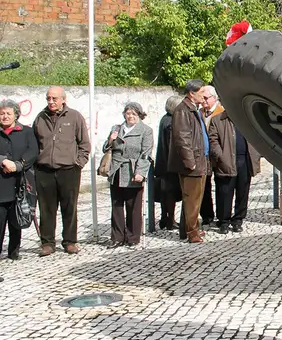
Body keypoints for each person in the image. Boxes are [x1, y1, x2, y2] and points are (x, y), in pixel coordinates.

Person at [33, 86, 91, 256]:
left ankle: (70, 241)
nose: (51, 102)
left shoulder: (74, 117)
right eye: (48, 98)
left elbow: (84, 144)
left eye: (54, 99)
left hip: (69, 170)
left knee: (69, 207)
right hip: (44, 170)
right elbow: (34, 143)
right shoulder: (40, 117)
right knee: (46, 208)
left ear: (63, 99)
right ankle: (47, 243)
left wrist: (78, 163)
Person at [102, 102, 154, 248]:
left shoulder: (146, 130)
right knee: (116, 205)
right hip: (116, 170)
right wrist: (111, 140)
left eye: (133, 114)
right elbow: (105, 148)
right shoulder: (116, 128)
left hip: (132, 170)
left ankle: (133, 237)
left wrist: (140, 172)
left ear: (139, 115)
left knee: (133, 206)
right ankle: (117, 237)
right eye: (128, 113)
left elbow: (146, 153)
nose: (130, 116)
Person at [168, 79, 210, 243]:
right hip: (193, 163)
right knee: (191, 199)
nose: (204, 96)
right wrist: (190, 162)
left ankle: (190, 229)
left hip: (201, 160)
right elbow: (182, 139)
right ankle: (192, 232)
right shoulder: (183, 111)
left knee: (196, 198)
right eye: (201, 93)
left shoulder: (195, 110)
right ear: (191, 93)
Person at [208, 108, 262, 233]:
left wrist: (256, 155)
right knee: (224, 193)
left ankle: (238, 220)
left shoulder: (247, 119)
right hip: (226, 161)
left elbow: (257, 137)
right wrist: (221, 156)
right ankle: (223, 221)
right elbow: (213, 140)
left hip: (245, 160)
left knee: (243, 193)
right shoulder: (218, 120)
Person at [0, 99, 38, 261]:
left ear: (16, 115)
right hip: (1, 184)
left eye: (8, 113)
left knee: (17, 216)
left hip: (20, 182)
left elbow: (33, 150)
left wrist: (19, 165)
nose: (5, 116)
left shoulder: (26, 131)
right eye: (2, 113)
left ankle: (14, 250)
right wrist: (2, 161)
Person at [154, 95, 183, 231]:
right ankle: (170, 220)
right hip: (170, 164)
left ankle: (165, 218)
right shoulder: (171, 122)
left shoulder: (164, 119)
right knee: (170, 193)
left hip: (163, 163)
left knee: (166, 193)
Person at [200, 85, 223, 226]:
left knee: (221, 186)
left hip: (218, 154)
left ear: (214, 98)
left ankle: (222, 215)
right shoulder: (200, 113)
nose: (203, 101)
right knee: (204, 186)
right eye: (202, 98)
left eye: (206, 98)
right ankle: (207, 215)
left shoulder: (222, 112)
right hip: (204, 156)